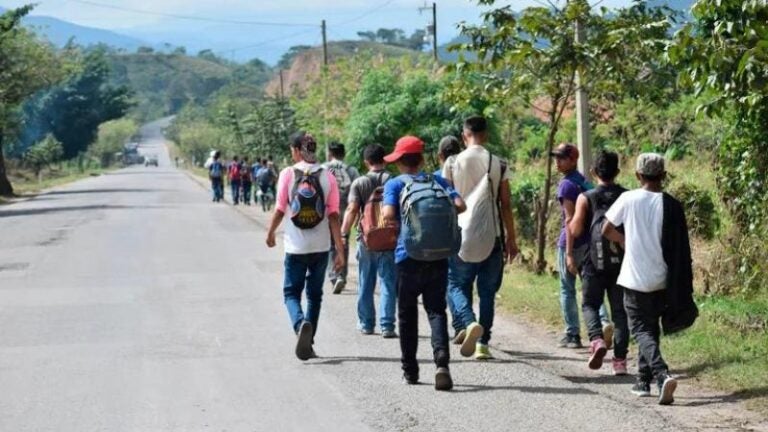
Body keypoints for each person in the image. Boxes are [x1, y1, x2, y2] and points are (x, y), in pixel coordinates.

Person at [602, 153, 695, 405]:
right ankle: (642, 380)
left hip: (634, 278)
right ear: (663, 176)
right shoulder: (672, 205)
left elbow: (606, 228)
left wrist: (623, 241)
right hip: (663, 280)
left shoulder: (628, 198)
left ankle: (661, 373)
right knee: (651, 329)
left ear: (637, 175)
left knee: (640, 329)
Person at [382, 135, 466, 391]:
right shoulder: (438, 181)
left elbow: (387, 215)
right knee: (436, 310)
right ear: (420, 159)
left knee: (407, 315)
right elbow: (460, 205)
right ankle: (442, 361)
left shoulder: (395, 184)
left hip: (407, 257)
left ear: (399, 162)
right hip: (439, 255)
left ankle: (411, 370)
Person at [442, 116, 520, 360]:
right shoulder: (498, 163)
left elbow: (445, 203)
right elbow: (505, 205)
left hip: (459, 236)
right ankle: (483, 345)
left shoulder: (453, 163)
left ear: (464, 135)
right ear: (485, 135)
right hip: (493, 236)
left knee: (456, 284)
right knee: (487, 292)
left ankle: (468, 322)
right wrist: (512, 239)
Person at [266, 131, 345, 361]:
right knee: (315, 295)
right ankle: (308, 342)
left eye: (292, 150)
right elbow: (333, 217)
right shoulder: (327, 176)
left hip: (295, 247)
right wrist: (339, 252)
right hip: (321, 247)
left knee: (291, 292)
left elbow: (280, 209)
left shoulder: (288, 174)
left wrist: (270, 233)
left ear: (298, 150)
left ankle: (300, 324)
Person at [568, 150, 629, 374]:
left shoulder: (587, 197)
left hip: (594, 261)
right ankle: (620, 362)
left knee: (590, 304)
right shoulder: (627, 196)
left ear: (593, 172)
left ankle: (597, 340)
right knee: (620, 312)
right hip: (622, 262)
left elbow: (575, 229)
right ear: (618, 172)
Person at [552, 143, 612, 349]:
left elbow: (569, 221)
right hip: (589, 245)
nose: (557, 161)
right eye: (556, 157)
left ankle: (572, 334)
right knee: (591, 289)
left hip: (571, 243)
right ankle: (604, 323)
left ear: (573, 159)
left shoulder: (566, 185)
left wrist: (568, 253)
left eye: (562, 158)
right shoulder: (585, 183)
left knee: (567, 289)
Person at [340, 144, 397, 338]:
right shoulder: (393, 181)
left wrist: (343, 234)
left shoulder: (360, 183)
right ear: (385, 159)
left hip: (366, 239)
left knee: (366, 281)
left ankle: (366, 323)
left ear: (366, 162)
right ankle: (387, 325)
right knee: (388, 281)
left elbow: (352, 210)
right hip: (389, 239)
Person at [323, 141, 360, 294]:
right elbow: (358, 191)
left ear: (330, 154)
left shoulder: (323, 169)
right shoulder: (351, 170)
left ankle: (334, 276)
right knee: (343, 241)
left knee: (331, 244)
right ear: (344, 154)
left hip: (327, 211)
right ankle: (342, 276)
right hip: (346, 211)